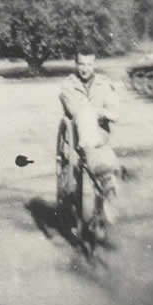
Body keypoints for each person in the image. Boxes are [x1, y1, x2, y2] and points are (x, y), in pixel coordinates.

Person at [59, 48, 120, 228]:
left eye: (89, 64)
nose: (85, 68)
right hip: (77, 136)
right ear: (76, 64)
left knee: (105, 159)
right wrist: (99, 112)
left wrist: (100, 112)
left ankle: (106, 194)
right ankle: (102, 177)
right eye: (81, 64)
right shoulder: (68, 85)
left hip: (100, 135)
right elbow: (75, 110)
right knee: (85, 114)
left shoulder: (104, 83)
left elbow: (114, 112)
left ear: (94, 64)